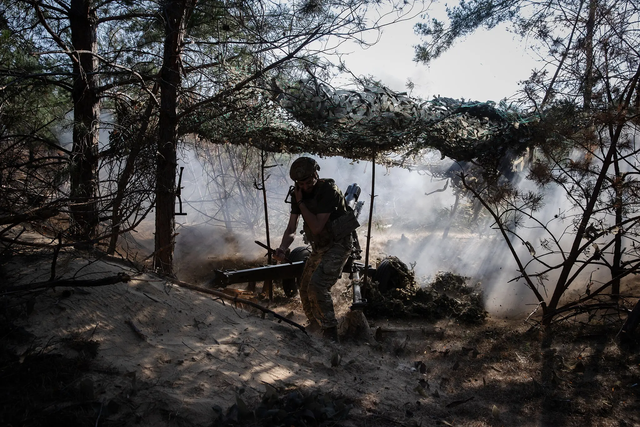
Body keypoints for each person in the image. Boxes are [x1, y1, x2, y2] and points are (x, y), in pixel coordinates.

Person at [274, 157, 354, 342]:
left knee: (318, 285)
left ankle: (330, 332)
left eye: (309, 182)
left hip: (339, 243)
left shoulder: (328, 190)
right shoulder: (298, 194)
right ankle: (315, 324)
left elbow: (317, 226)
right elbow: (292, 228)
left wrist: (301, 202)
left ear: (316, 174)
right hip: (320, 245)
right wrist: (282, 248)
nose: (306, 186)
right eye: (301, 183)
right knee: (304, 286)